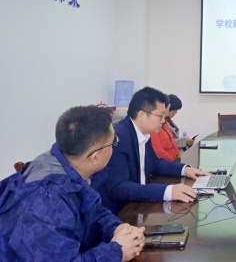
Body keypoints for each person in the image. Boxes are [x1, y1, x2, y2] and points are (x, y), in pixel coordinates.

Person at [0, 106, 145, 262]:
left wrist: (116, 228)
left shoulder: (66, 161)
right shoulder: (48, 201)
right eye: (113, 142)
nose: (115, 145)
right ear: (94, 157)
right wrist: (116, 252)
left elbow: (91, 210)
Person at [95, 86, 210, 214]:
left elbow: (154, 163)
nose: (163, 121)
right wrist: (168, 191)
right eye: (160, 116)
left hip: (138, 204)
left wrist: (185, 170)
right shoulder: (118, 138)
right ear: (142, 115)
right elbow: (119, 188)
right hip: (117, 212)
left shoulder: (144, 132)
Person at [150, 95, 182, 161]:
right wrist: (172, 162)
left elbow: (173, 143)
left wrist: (178, 158)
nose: (176, 112)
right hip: (165, 162)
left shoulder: (165, 123)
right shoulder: (153, 126)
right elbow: (158, 150)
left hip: (173, 160)